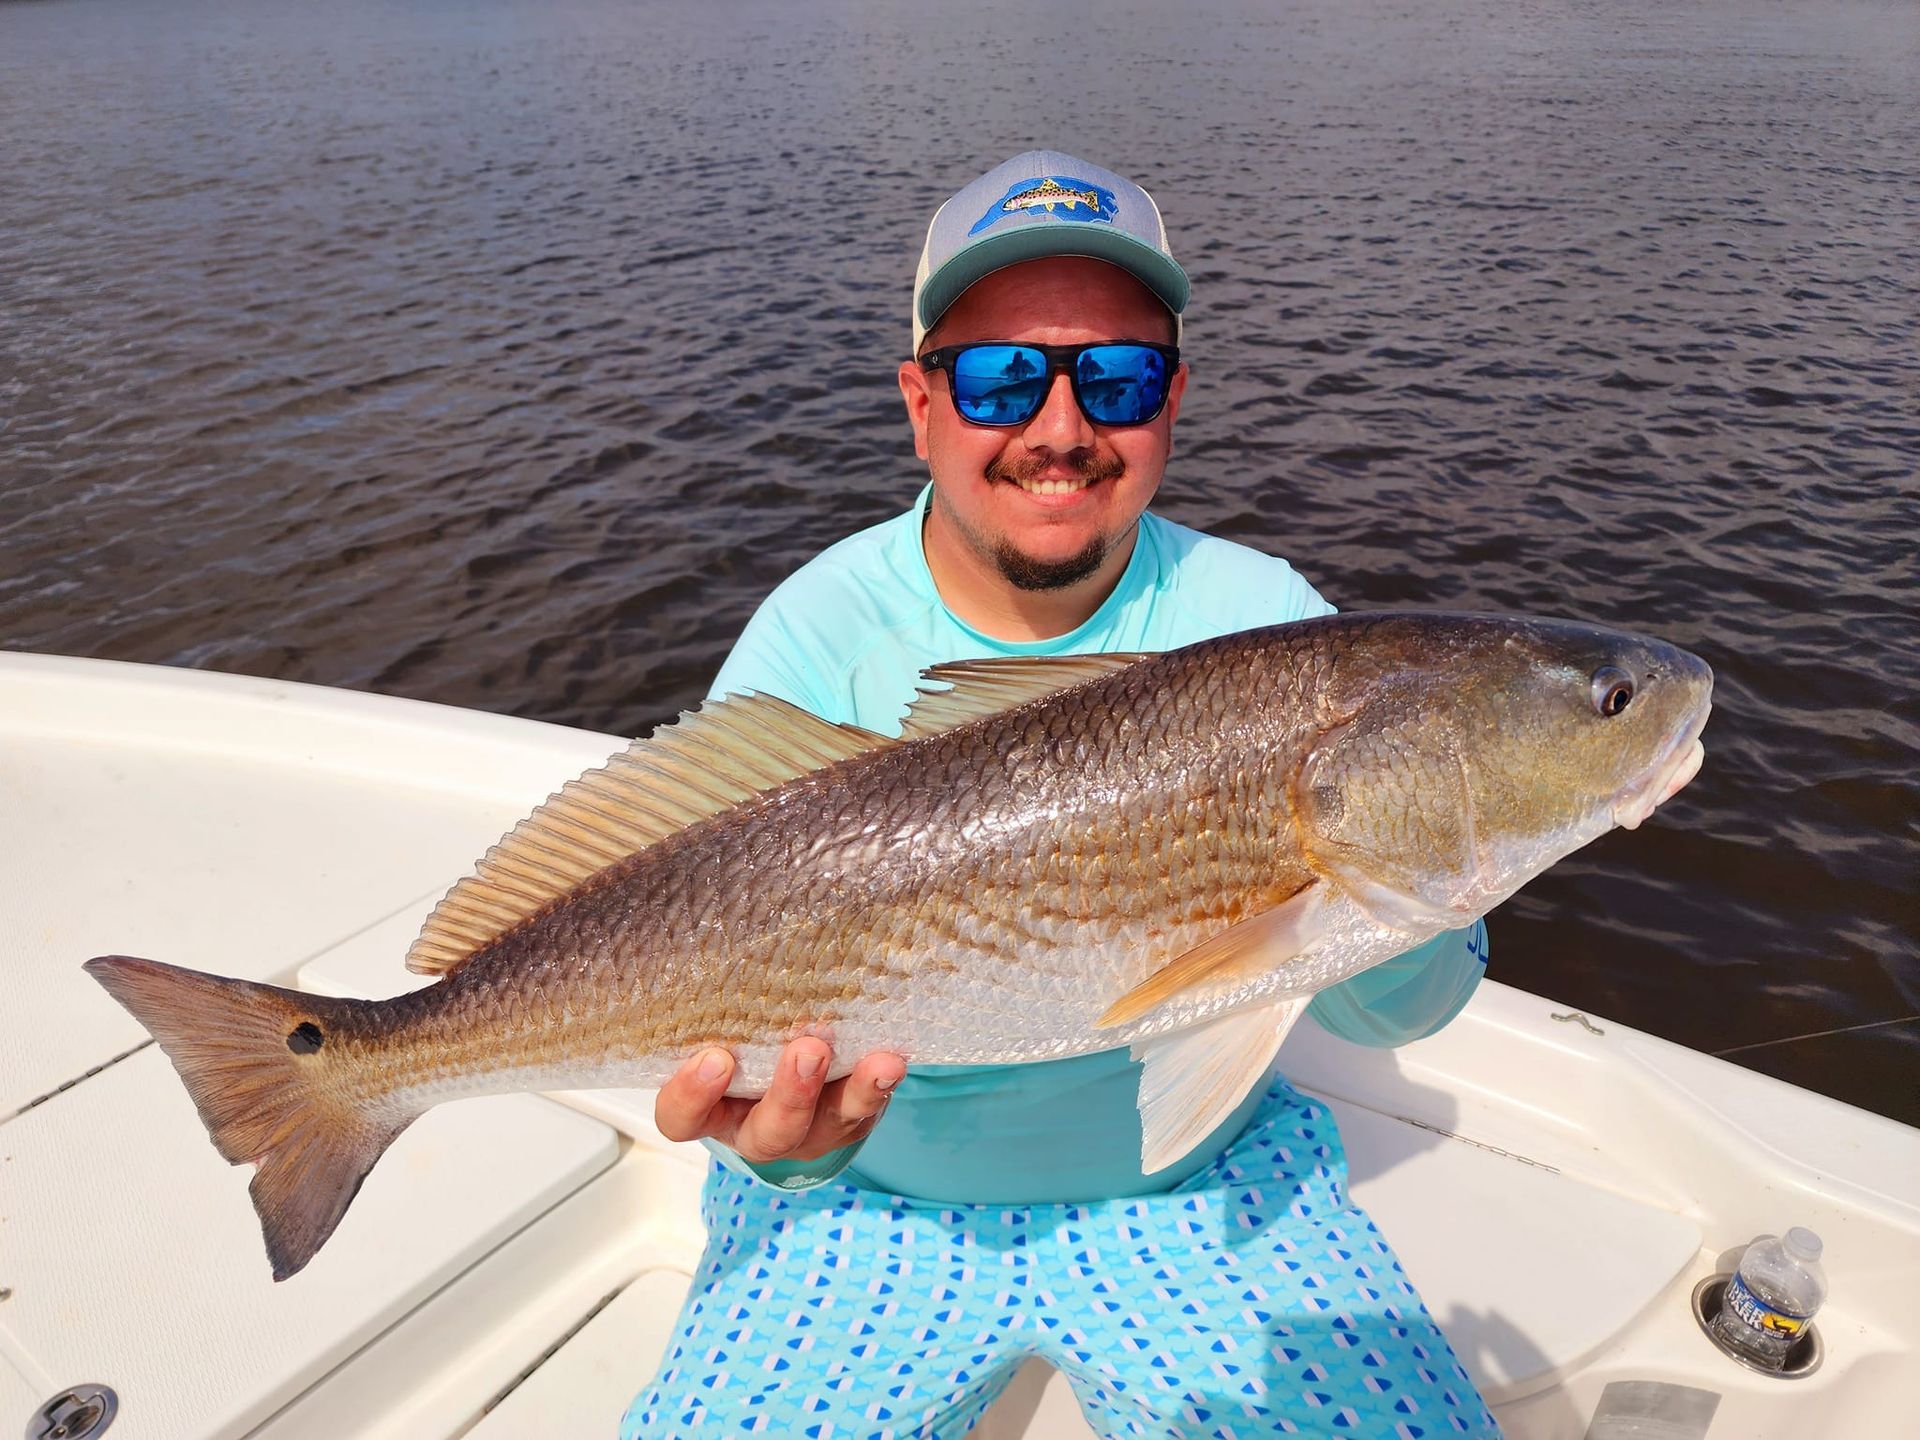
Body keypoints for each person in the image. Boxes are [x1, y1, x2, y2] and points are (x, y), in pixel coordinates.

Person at [624, 152, 1498, 1439]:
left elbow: (1392, 1018)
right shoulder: (819, 638)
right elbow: (686, 928)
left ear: (1174, 401)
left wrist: (1429, 867)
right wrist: (772, 1138)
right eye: (998, 378)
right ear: (920, 402)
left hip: (1201, 1189)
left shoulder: (1270, 624)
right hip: (863, 1195)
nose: (1060, 428)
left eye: (1120, 376)